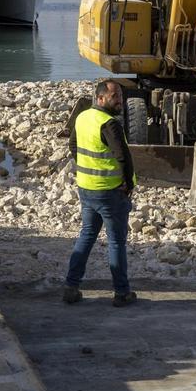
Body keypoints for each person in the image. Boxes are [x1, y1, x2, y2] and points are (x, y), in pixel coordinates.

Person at [63, 79, 137, 307]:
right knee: (116, 243)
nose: (120, 101)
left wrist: (86, 170)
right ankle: (122, 293)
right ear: (100, 98)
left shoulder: (82, 117)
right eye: (115, 97)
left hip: (87, 189)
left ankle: (71, 287)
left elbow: (73, 147)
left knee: (86, 236)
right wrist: (128, 185)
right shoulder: (109, 123)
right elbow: (123, 157)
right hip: (110, 192)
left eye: (121, 97)